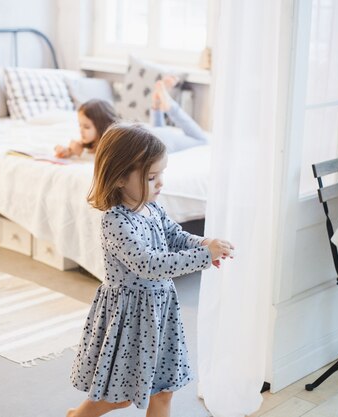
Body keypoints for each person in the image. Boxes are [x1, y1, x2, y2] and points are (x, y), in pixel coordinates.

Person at [67, 124, 234, 417]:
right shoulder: (115, 222)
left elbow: (175, 235)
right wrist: (202, 258)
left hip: (160, 311)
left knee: (163, 389)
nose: (160, 184)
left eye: (161, 175)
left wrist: (205, 242)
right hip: (131, 317)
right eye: (152, 177)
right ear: (119, 178)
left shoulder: (152, 207)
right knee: (120, 396)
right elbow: (149, 265)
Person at [55, 77, 208, 159]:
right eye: (80, 125)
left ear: (100, 126)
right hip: (153, 134)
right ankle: (157, 105)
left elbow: (104, 155)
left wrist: (75, 151)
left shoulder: (111, 143)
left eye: (86, 127)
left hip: (162, 140)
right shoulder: (113, 133)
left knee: (203, 141)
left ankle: (169, 106)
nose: (81, 131)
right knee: (158, 130)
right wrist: (69, 151)